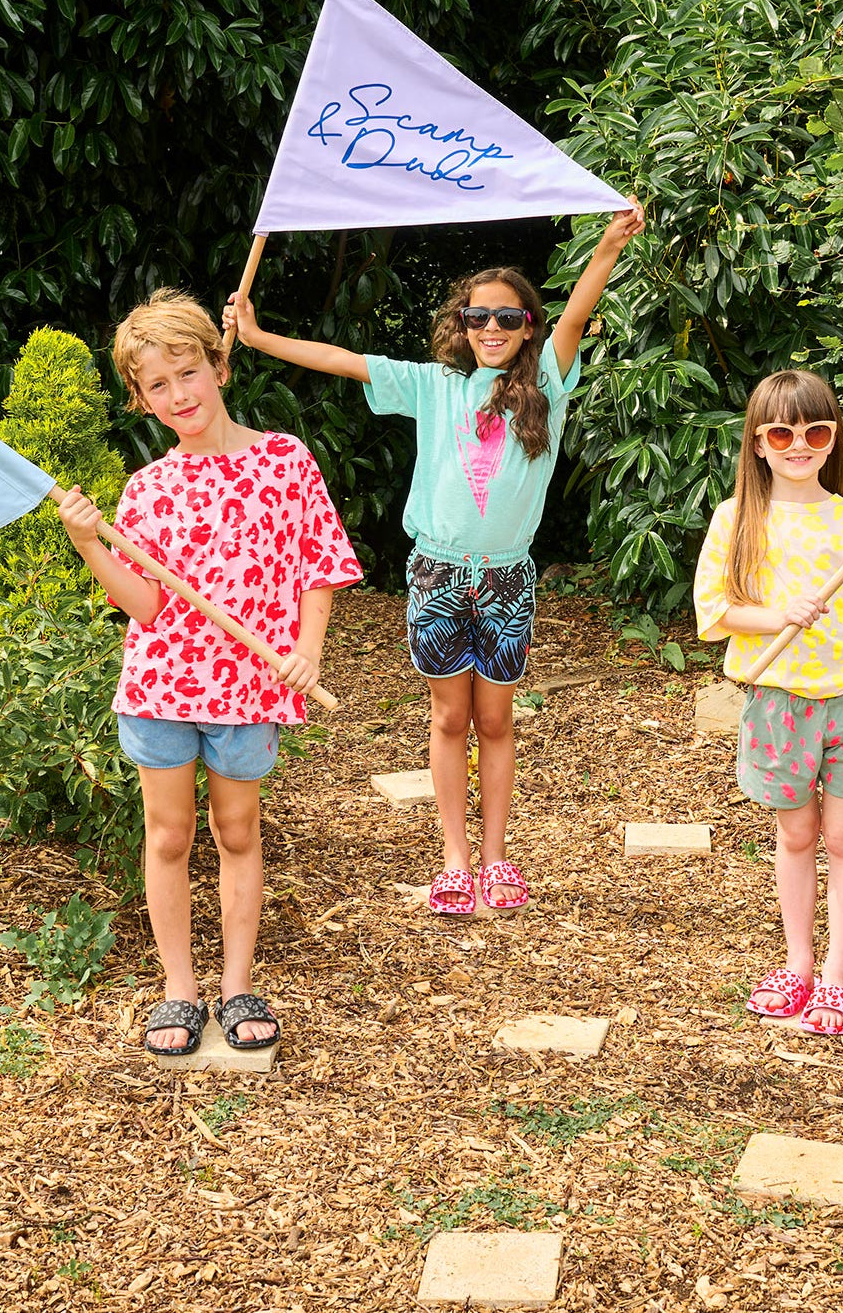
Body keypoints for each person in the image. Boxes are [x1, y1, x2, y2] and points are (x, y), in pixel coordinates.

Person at [223, 202, 645, 916]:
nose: (492, 330)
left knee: (497, 723)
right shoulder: (434, 386)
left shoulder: (547, 386)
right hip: (438, 575)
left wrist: (606, 245)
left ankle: (496, 857)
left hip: (507, 578)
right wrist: (257, 337)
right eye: (479, 317)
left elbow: (576, 314)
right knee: (449, 720)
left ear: (527, 329)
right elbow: (342, 360)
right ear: (461, 324)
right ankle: (453, 858)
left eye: (508, 319)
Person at [58, 290, 361, 1057]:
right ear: (141, 398)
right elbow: (149, 609)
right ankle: (179, 991)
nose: (178, 395)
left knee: (237, 830)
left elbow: (320, 566)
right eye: (156, 386)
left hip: (250, 690)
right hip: (162, 691)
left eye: (186, 373)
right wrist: (92, 544)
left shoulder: (284, 460)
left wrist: (307, 648)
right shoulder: (149, 489)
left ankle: (236, 986)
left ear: (218, 364)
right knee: (168, 835)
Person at [693, 369, 843, 1036]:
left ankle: (837, 976)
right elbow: (713, 611)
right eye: (781, 432)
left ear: (832, 438)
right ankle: (797, 965)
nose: (799, 443)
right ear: (759, 443)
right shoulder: (737, 520)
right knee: (795, 834)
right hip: (780, 698)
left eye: (815, 430)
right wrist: (778, 612)